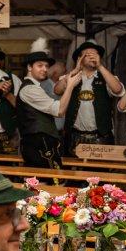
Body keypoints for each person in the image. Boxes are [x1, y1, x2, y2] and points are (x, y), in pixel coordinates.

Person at [16, 41, 80, 170]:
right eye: (40, 65)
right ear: (29, 67)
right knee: (53, 179)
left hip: (41, 143)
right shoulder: (30, 89)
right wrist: (70, 86)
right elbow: (59, 111)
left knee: (45, 179)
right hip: (39, 144)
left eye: (46, 66)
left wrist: (71, 75)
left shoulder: (34, 87)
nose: (45, 69)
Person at [55, 40, 124, 155]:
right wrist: (75, 70)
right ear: (79, 59)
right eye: (88, 54)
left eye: (95, 54)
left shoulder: (106, 77)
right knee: (71, 166)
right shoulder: (71, 77)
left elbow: (118, 90)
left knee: (101, 167)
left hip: (101, 138)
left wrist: (100, 66)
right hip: (74, 137)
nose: (93, 57)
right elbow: (57, 90)